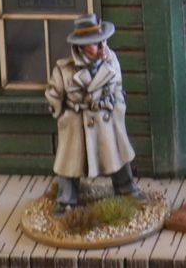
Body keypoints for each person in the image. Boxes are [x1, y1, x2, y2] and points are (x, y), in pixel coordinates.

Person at [44, 14, 141, 214]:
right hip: (77, 122)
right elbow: (53, 95)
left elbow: (118, 87)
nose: (102, 47)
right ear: (82, 46)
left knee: (117, 154)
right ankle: (66, 200)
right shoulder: (64, 70)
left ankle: (126, 188)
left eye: (103, 41)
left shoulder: (111, 61)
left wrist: (118, 108)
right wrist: (63, 116)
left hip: (106, 118)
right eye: (96, 44)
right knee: (70, 163)